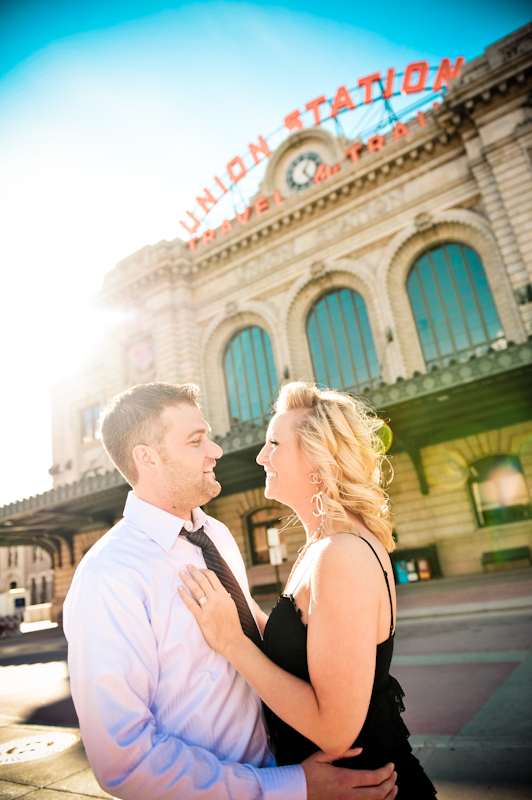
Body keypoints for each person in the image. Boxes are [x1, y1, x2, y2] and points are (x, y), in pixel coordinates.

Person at [64, 382, 398, 800]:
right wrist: (287, 785)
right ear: (146, 457)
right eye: (196, 440)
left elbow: (264, 643)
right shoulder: (109, 575)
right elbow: (125, 761)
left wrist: (235, 640)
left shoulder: (217, 536)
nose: (217, 450)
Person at [180, 382, 437, 798]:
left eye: (274, 443)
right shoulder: (322, 546)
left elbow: (335, 731)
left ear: (317, 458)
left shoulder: (341, 554)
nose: (261, 456)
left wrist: (231, 642)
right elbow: (303, 644)